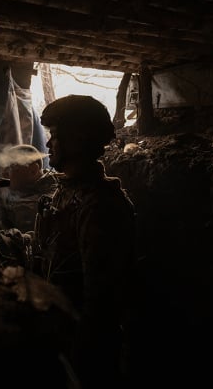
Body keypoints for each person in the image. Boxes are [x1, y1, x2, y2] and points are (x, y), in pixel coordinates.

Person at [31, 94, 137, 388]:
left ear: (77, 139)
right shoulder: (66, 192)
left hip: (85, 345)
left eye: (55, 135)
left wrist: (79, 356)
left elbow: (100, 299)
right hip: (62, 332)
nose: (49, 144)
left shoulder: (100, 204)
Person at [0, 144, 57, 267]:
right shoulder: (22, 190)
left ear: (33, 170)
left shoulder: (51, 197)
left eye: (11, 168)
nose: (4, 173)